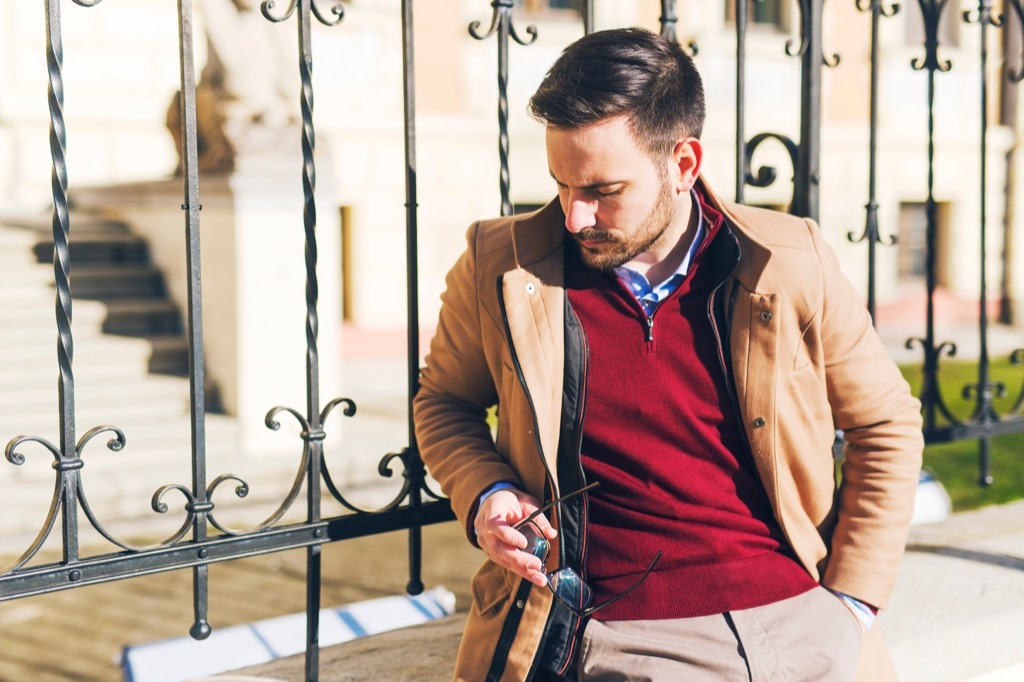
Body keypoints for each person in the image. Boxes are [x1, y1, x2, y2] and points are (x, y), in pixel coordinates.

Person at [413, 27, 923, 682]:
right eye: (562, 185)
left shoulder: (789, 260)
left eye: (602, 191)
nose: (575, 216)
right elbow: (444, 403)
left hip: (798, 618)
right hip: (617, 633)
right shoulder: (502, 266)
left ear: (682, 165)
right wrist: (486, 491)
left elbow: (887, 424)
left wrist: (852, 601)